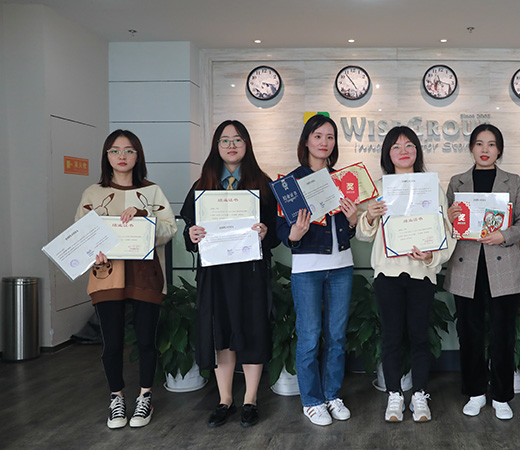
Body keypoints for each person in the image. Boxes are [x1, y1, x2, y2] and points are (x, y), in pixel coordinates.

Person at [76, 130, 177, 429]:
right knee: (112, 343)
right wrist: (92, 252)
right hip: (107, 275)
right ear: (106, 156)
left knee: (146, 340)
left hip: (146, 275)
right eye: (115, 150)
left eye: (129, 150)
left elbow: (170, 229)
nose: (122, 156)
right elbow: (80, 235)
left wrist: (145, 218)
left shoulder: (152, 192)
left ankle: (145, 396)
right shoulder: (93, 193)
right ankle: (116, 398)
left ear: (138, 155)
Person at [180, 120, 278, 428]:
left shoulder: (262, 184)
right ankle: (225, 399)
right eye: (225, 140)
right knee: (219, 332)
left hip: (250, 273)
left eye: (237, 139)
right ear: (216, 146)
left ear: (247, 145)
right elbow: (189, 232)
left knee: (251, 330)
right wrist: (192, 235)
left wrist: (266, 233)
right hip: (215, 274)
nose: (231, 145)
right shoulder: (202, 185)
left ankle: (250, 399)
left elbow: (277, 234)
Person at [356, 126, 455, 423]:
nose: (403, 151)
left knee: (419, 336)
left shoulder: (432, 187)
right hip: (387, 273)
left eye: (409, 145)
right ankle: (395, 395)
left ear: (417, 151)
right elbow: (363, 235)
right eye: (396, 146)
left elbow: (447, 232)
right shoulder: (379, 187)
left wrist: (432, 256)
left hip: (421, 273)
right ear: (388, 153)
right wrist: (369, 215)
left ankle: (420, 394)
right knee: (391, 337)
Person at [445, 124, 520, 420]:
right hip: (466, 265)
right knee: (469, 333)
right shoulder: (457, 182)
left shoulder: (513, 181)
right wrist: (450, 217)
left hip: (503, 264)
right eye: (479, 144)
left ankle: (501, 395)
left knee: (503, 334)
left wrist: (505, 235)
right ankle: (475, 392)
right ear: (471, 148)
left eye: (492, 144)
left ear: (499, 150)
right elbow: (446, 225)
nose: (485, 150)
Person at [276, 114, 359, 427]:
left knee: (337, 337)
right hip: (308, 269)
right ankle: (311, 401)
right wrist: (293, 235)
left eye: (330, 137)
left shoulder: (342, 179)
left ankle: (332, 395)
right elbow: (281, 228)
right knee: (310, 337)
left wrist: (352, 221)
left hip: (341, 266)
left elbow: (345, 230)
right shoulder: (290, 183)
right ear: (306, 140)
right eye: (318, 136)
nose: (324, 142)